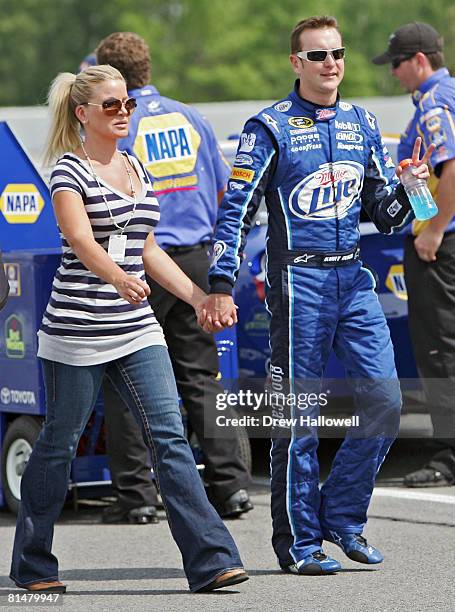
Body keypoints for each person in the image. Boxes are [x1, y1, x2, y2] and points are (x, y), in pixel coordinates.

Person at [199, 15, 433, 575]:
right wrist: (220, 283)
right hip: (297, 279)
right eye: (319, 55)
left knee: (386, 402)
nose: (332, 63)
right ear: (296, 63)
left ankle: (344, 519)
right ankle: (299, 544)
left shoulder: (362, 122)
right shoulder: (269, 127)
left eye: (339, 53)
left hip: (353, 278)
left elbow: (385, 214)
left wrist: (411, 185)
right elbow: (236, 210)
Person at [9, 65, 248, 594]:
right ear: (83, 113)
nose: (123, 113)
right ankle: (32, 563)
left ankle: (211, 560)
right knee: (59, 443)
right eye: (111, 106)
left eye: (127, 105)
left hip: (136, 326)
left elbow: (147, 248)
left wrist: (199, 296)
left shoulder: (136, 165)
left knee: (169, 434)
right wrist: (117, 278)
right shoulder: (68, 171)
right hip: (77, 330)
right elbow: (78, 237)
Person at [95, 31, 252, 521]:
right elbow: (227, 187)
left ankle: (138, 498)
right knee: (201, 375)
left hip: (139, 259)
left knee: (127, 377)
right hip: (195, 258)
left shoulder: (117, 123)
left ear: (113, 78)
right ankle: (231, 488)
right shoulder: (192, 116)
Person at [373, 22, 455, 487]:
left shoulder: (434, 104)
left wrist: (436, 231)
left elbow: (451, 166)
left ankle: (448, 456)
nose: (394, 75)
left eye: (398, 65)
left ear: (419, 60)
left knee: (440, 349)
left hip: (441, 246)